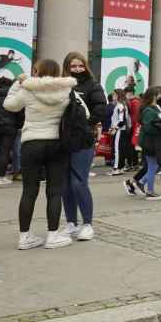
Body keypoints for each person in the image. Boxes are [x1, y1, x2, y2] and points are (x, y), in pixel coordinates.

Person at [3, 59, 76, 249]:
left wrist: (18, 83)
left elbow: (9, 105)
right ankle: (52, 236)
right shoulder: (66, 90)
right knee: (54, 191)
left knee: (29, 190)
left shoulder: (28, 89)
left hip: (31, 142)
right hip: (56, 143)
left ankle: (24, 237)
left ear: (38, 71)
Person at [61, 52, 107, 240]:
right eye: (73, 66)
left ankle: (87, 224)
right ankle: (71, 223)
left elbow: (100, 109)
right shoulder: (61, 85)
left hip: (83, 139)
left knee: (79, 182)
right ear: (67, 67)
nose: (77, 69)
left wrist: (86, 125)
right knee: (65, 185)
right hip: (62, 140)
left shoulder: (93, 86)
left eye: (80, 66)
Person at [137, 87, 161, 201]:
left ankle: (141, 182)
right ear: (154, 95)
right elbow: (149, 128)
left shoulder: (154, 108)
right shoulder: (148, 110)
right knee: (153, 166)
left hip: (157, 142)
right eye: (159, 94)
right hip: (151, 142)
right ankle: (150, 191)